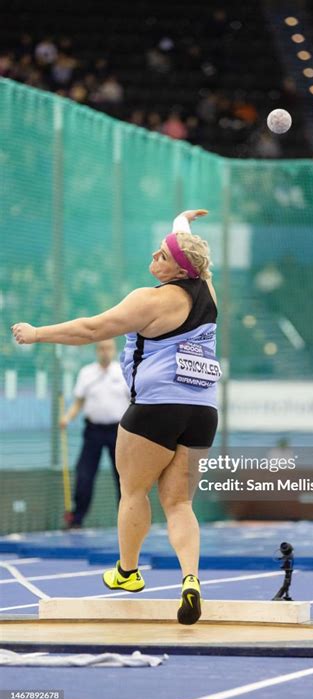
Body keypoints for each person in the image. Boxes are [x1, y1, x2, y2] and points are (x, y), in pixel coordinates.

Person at [11, 209, 220, 625]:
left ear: (178, 268)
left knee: (133, 491)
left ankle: (127, 572)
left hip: (155, 410)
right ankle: (191, 579)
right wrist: (181, 223)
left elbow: (91, 330)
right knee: (179, 503)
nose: (153, 256)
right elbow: (192, 255)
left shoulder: (150, 299)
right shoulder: (209, 291)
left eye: (161, 254)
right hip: (203, 412)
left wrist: (37, 334)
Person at [61, 339, 130, 529]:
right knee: (84, 474)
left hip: (119, 431)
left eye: (108, 348)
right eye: (101, 348)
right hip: (93, 431)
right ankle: (76, 519)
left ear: (114, 350)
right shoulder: (86, 373)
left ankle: (127, 520)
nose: (105, 352)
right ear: (96, 351)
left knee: (124, 477)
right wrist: (67, 417)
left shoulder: (123, 371)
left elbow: (133, 400)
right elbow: (78, 402)